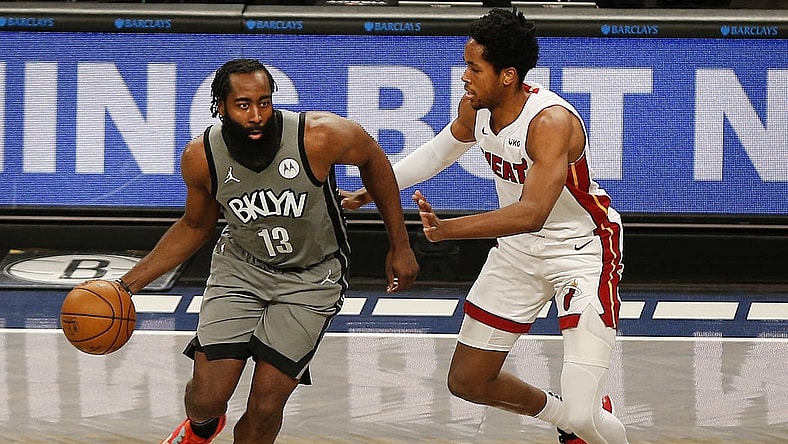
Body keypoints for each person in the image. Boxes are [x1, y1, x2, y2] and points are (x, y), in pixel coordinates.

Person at [341, 8, 628, 444]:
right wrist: (375, 189)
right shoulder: (475, 108)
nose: (464, 77)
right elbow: (438, 152)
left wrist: (446, 230)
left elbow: (532, 212)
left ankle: (581, 418)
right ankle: (566, 416)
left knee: (587, 417)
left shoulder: (550, 123)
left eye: (474, 68)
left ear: (508, 75)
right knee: (469, 381)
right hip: (518, 253)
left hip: (581, 251)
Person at [114, 58, 419, 443]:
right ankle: (200, 429)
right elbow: (195, 226)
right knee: (206, 399)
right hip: (241, 269)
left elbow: (373, 158)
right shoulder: (201, 157)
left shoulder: (318, 135)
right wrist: (126, 285)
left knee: (263, 407)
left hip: (313, 278)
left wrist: (400, 243)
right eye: (243, 104)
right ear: (220, 107)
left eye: (264, 102)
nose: (257, 115)